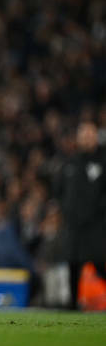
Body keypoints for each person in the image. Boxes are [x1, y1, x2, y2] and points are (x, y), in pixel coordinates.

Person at [57, 121, 106, 309]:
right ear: (78, 139)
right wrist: (65, 209)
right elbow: (59, 189)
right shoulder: (70, 162)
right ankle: (72, 305)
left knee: (101, 263)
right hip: (73, 225)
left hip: (96, 224)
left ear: (96, 137)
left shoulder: (103, 161)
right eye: (83, 136)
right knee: (73, 264)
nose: (86, 139)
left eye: (90, 135)